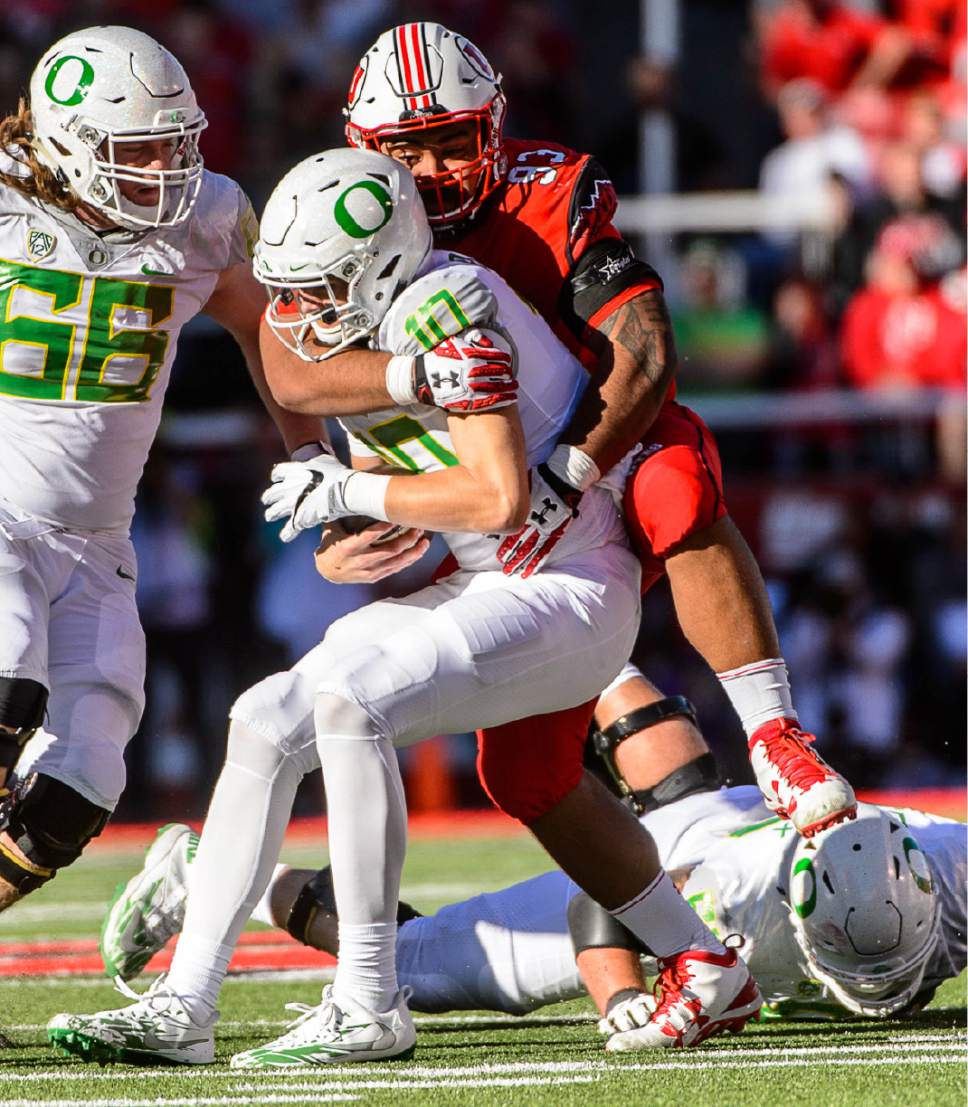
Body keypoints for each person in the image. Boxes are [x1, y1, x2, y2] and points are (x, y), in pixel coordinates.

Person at [47, 149, 759, 1067]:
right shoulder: (373, 313)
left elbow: (500, 496)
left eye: (319, 288)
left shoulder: (445, 305)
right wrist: (364, 522)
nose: (299, 314)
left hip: (569, 583)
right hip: (486, 577)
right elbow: (384, 455)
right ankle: (187, 999)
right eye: (289, 290)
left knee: (353, 704)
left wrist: (354, 494)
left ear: (381, 266)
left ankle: (369, 999)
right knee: (264, 716)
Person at [261, 21, 856, 844]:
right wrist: (356, 508)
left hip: (599, 438)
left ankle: (774, 734)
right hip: (482, 488)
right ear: (366, 147)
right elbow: (301, 370)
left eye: (451, 143)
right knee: (521, 774)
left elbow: (645, 347)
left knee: (672, 487)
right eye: (410, 150)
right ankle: (679, 940)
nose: (431, 172)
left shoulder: (544, 194)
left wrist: (569, 471)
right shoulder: (340, 214)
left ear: (493, 127)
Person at [93, 664, 965, 1043]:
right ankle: (201, 869)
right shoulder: (739, 895)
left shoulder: (950, 861)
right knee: (420, 963)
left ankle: (599, 659)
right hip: (682, 865)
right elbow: (603, 896)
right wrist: (622, 994)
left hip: (719, 817)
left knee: (684, 790)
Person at [0, 26, 324, 916]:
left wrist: (309, 451)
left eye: (175, 141)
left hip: (98, 540)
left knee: (81, 784)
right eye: (137, 148)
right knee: (5, 674)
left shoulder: (207, 214)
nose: (164, 168)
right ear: (64, 143)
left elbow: (266, 328)